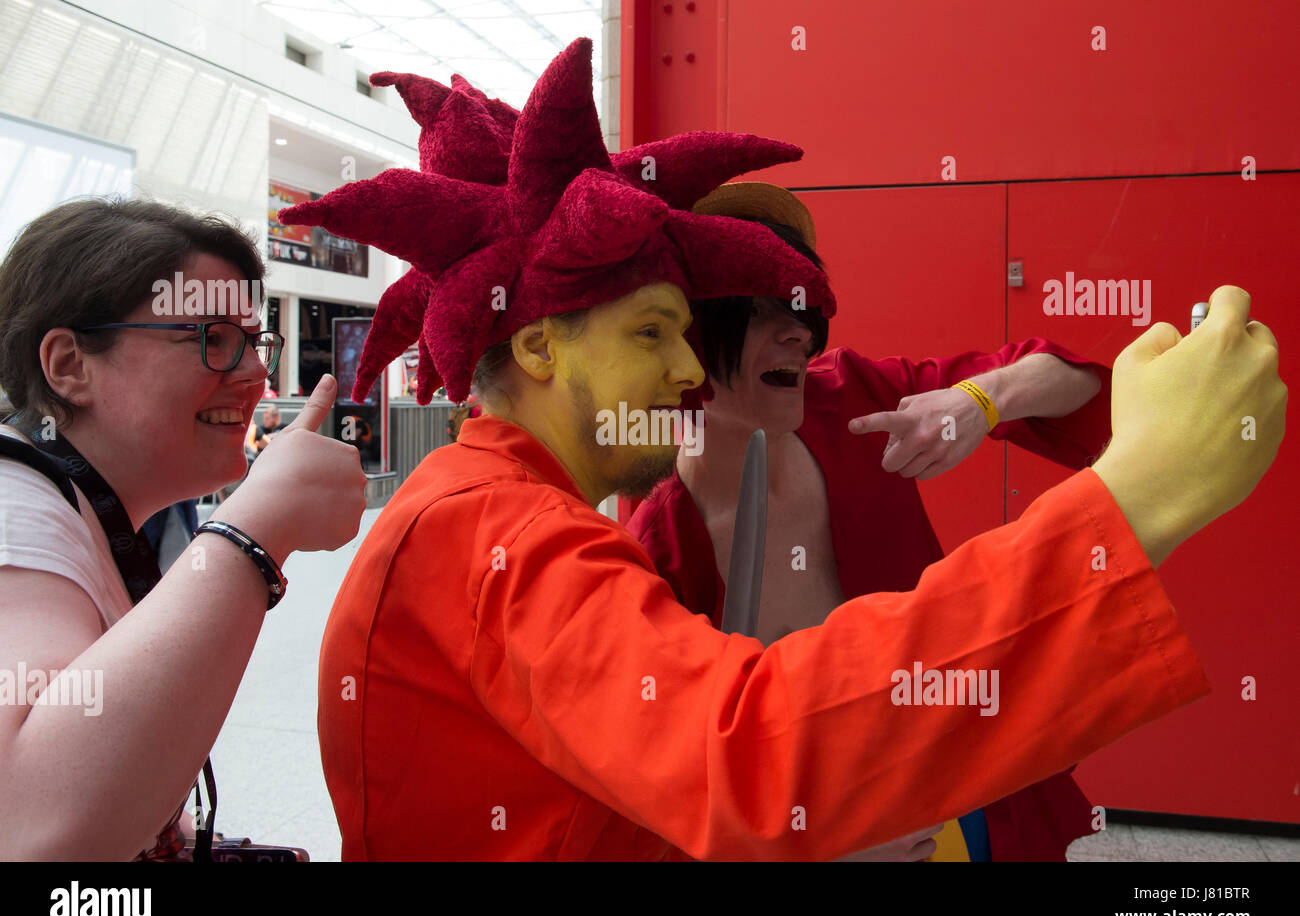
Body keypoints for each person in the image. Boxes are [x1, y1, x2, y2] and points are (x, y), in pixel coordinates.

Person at [297, 39, 1284, 860]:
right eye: (652, 332)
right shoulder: (512, 534)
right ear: (539, 344)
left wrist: (986, 404)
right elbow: (739, 755)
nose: (686, 368)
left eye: (687, 329)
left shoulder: (514, 505)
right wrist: (1131, 509)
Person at [628, 184, 1108, 860]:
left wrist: (982, 398)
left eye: (803, 308)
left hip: (969, 796)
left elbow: (1081, 384)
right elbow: (674, 790)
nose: (798, 330)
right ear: (689, 336)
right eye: (762, 311)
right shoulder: (659, 554)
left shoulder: (855, 401)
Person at [0, 197, 368, 860]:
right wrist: (257, 526)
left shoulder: (124, 513)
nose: (256, 374)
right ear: (69, 365)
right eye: (214, 340)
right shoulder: (13, 502)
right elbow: (32, 828)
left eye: (254, 342)